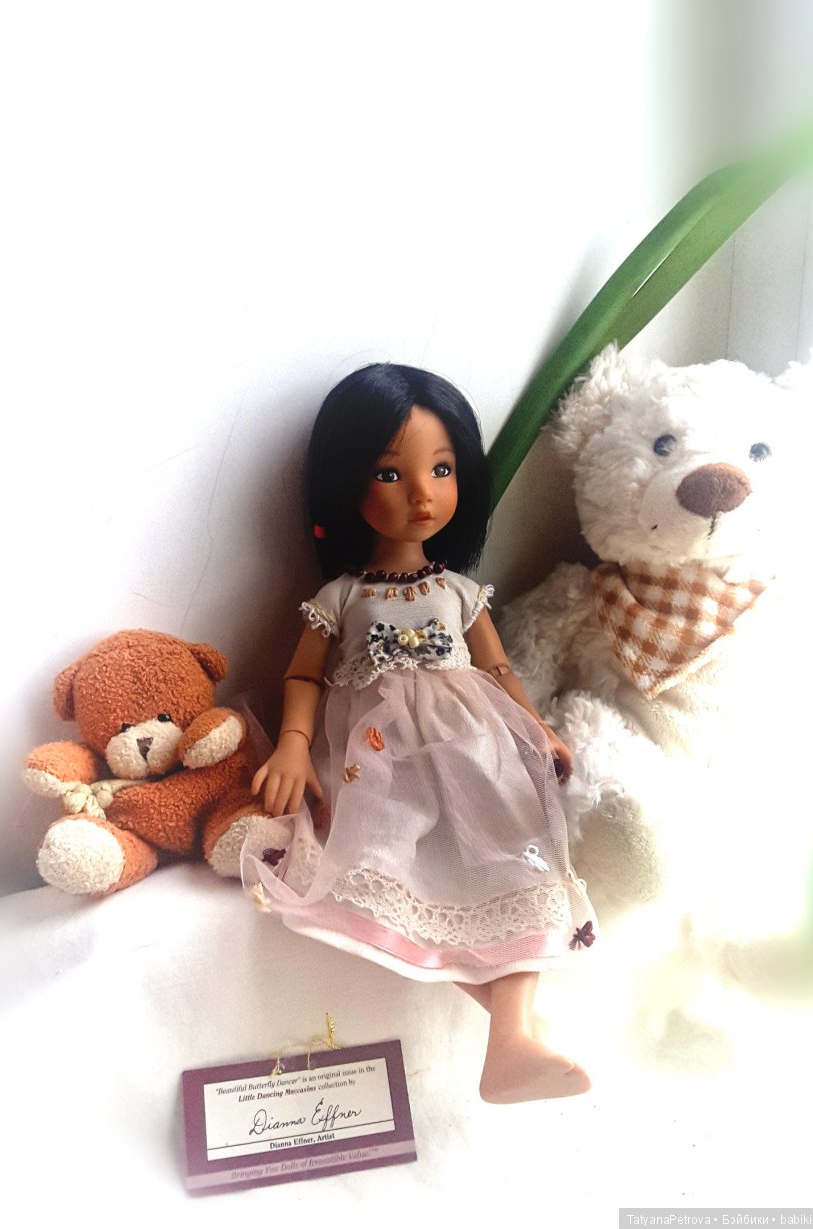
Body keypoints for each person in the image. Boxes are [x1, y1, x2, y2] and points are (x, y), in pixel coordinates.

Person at [242, 363, 596, 1103]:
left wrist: (536, 728)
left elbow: (497, 669)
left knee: (520, 865)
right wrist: (294, 743)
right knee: (380, 867)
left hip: (473, 751)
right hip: (378, 761)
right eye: (389, 473)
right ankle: (515, 1036)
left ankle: (513, 1041)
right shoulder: (342, 596)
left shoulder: (460, 592)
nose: (423, 493)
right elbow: (303, 676)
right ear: (347, 484)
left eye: (442, 469)